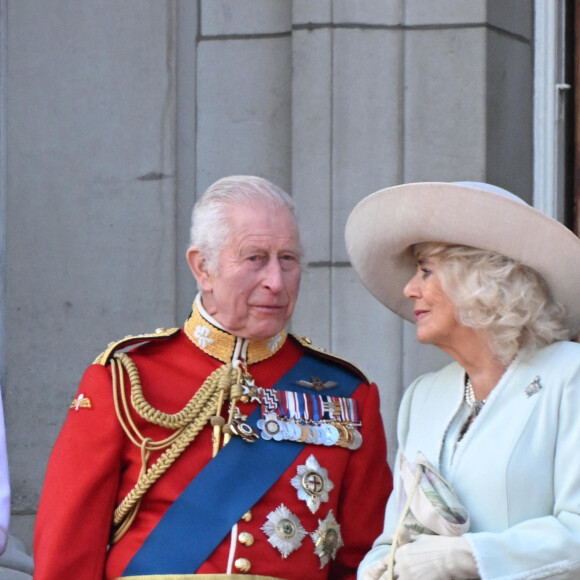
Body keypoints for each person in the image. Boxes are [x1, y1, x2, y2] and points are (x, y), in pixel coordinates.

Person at [33, 175, 393, 580]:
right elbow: (67, 551)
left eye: (288, 259)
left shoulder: (346, 394)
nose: (276, 281)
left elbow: (365, 558)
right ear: (202, 267)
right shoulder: (126, 379)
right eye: (255, 257)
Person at [345, 181, 580, 580]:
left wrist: (469, 557)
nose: (409, 289)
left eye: (425, 271)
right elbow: (394, 536)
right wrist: (378, 568)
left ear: (479, 279)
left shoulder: (568, 375)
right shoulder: (422, 396)